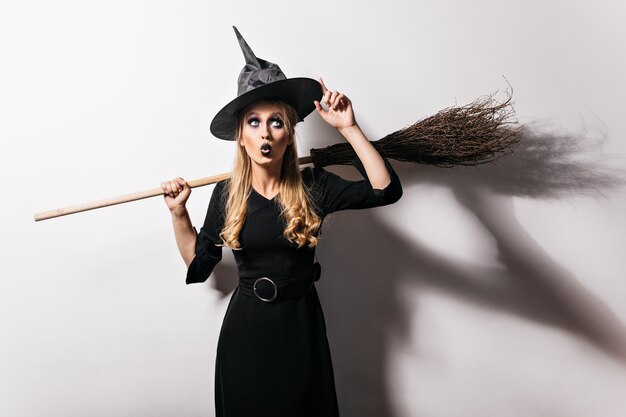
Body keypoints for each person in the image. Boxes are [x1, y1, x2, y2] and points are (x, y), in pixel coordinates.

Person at [160, 27, 402, 417]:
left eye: (276, 121)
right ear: (240, 136)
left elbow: (384, 190)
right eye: (253, 122)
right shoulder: (226, 194)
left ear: (289, 133)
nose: (265, 132)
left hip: (299, 331)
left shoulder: (313, 186)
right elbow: (199, 265)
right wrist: (178, 213)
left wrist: (348, 128)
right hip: (245, 335)